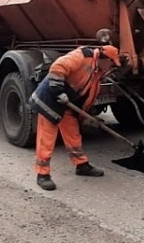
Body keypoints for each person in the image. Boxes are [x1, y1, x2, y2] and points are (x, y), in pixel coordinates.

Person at [29, 43, 122, 191]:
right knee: (46, 138)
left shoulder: (98, 69)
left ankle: (81, 165)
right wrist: (58, 91)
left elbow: (88, 92)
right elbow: (57, 67)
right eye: (110, 63)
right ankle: (42, 174)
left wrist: (85, 114)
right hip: (50, 99)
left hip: (68, 102)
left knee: (73, 134)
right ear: (104, 58)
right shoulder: (81, 56)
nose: (110, 67)